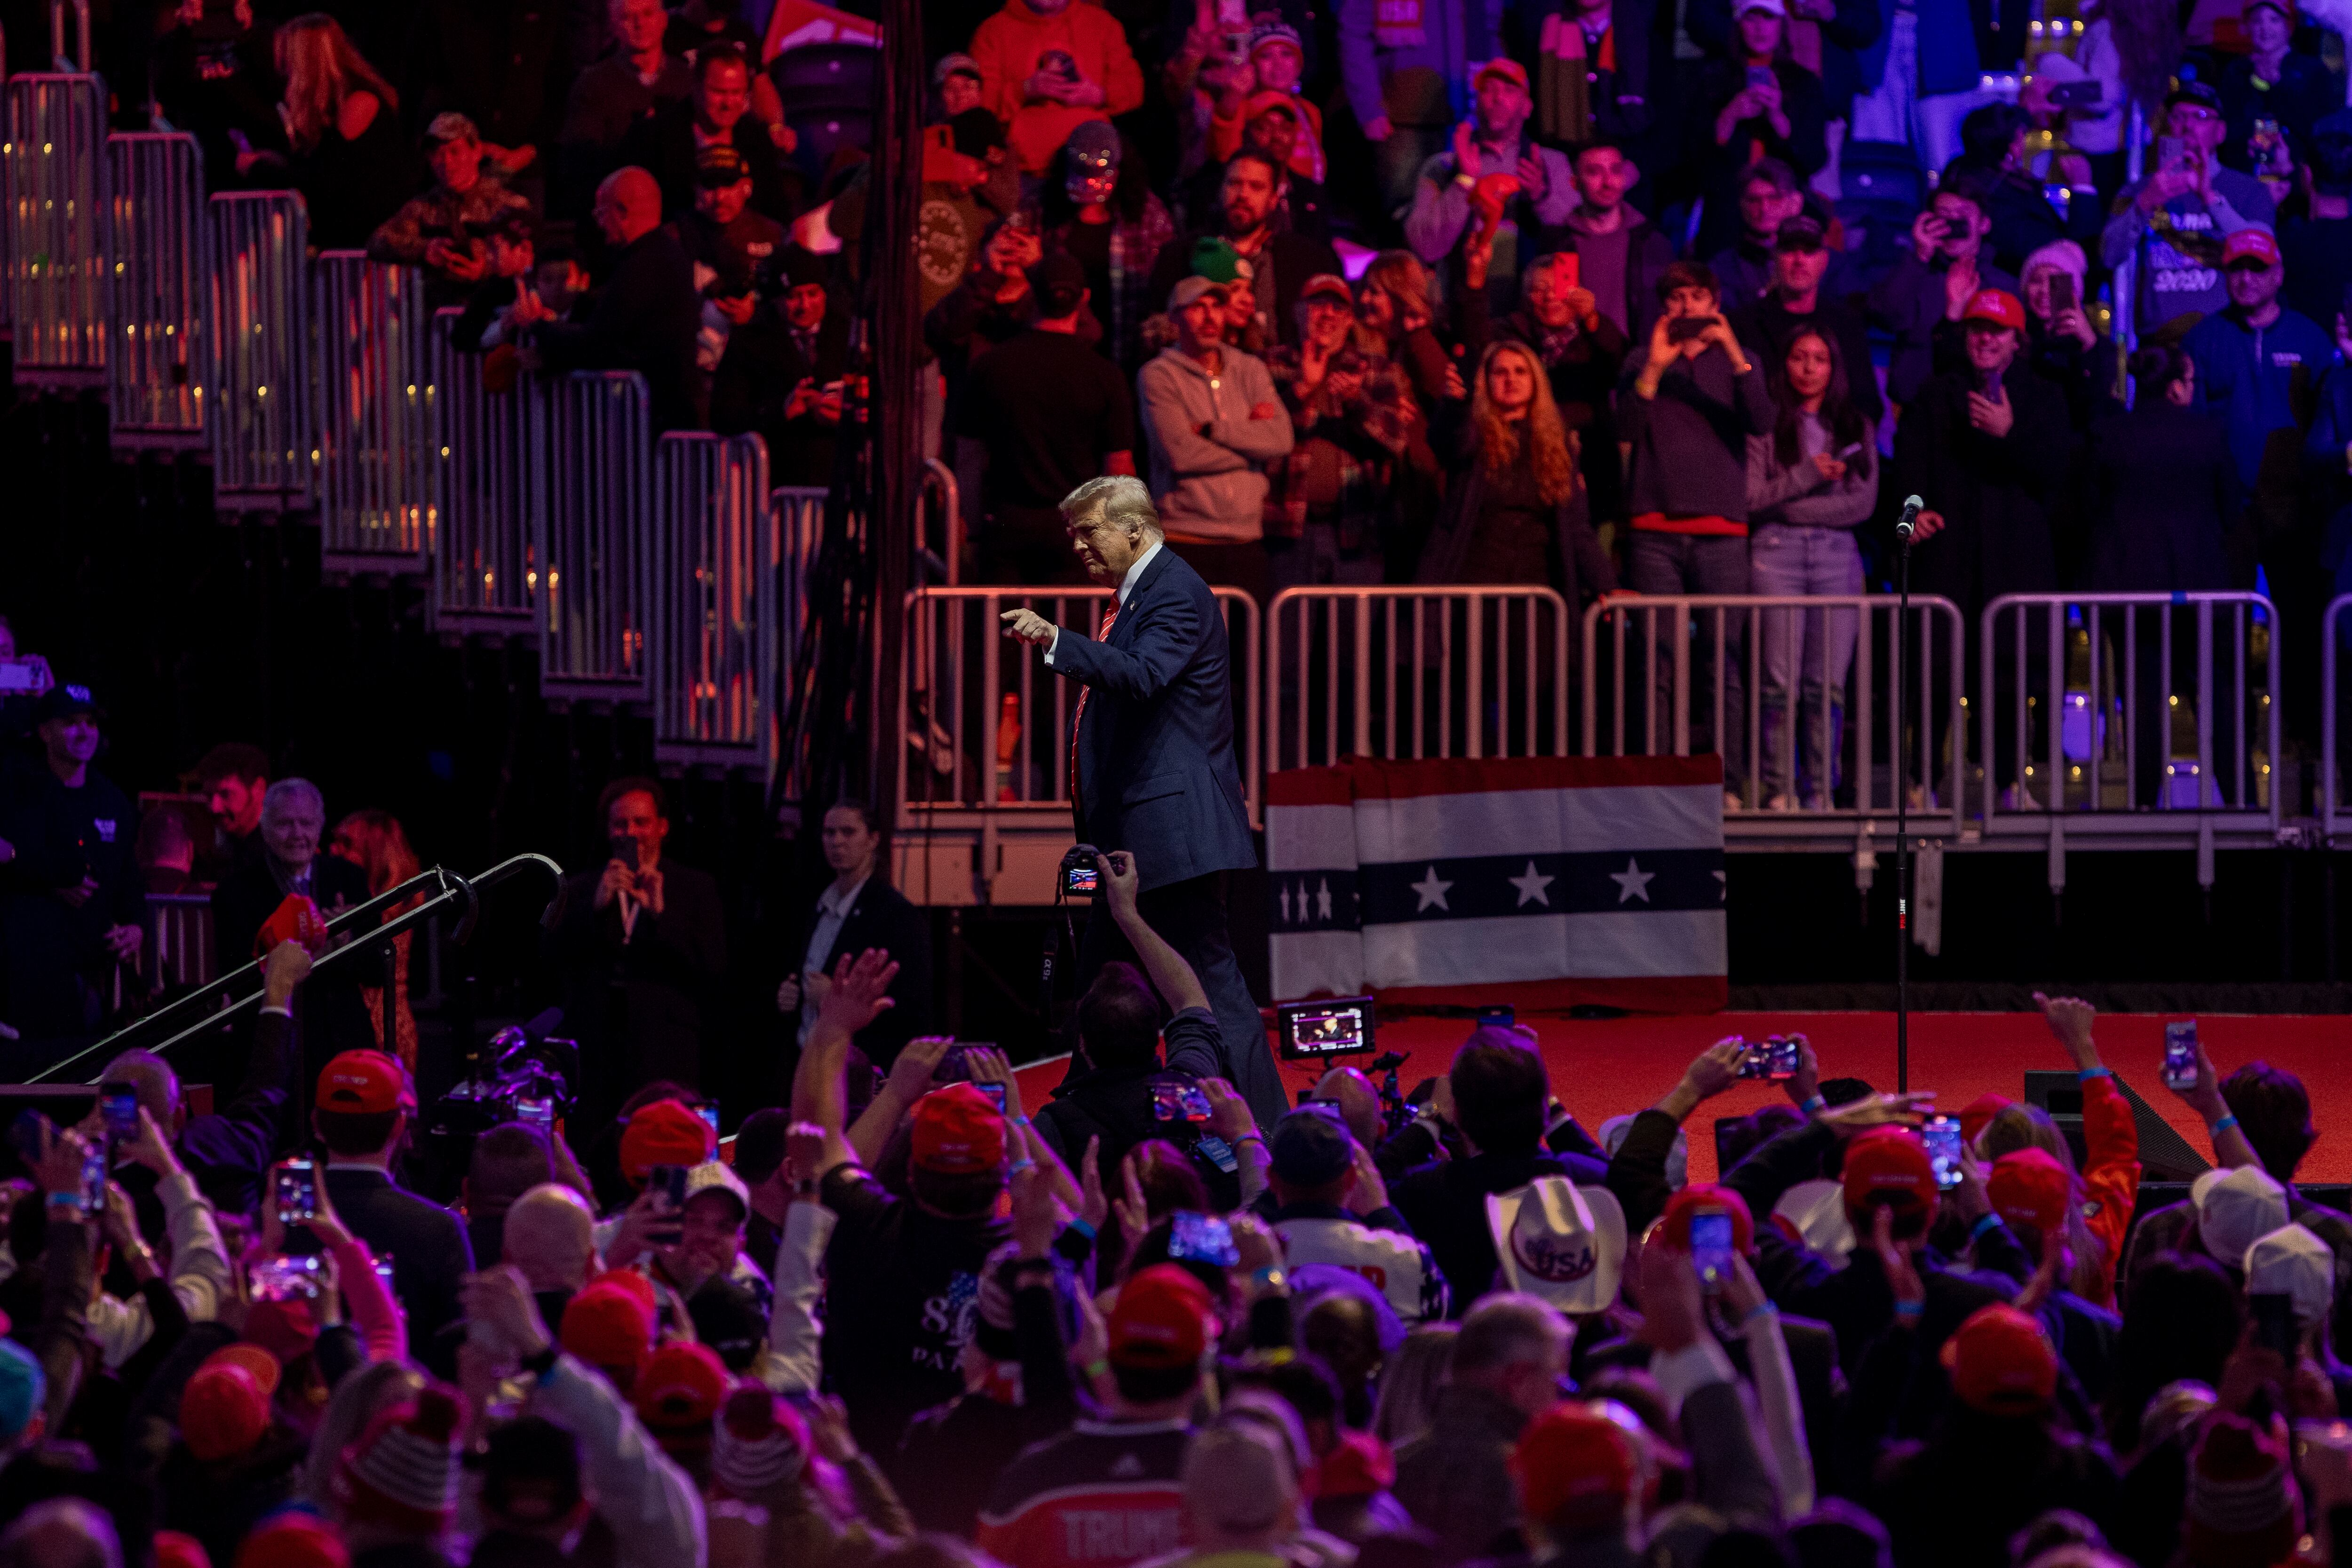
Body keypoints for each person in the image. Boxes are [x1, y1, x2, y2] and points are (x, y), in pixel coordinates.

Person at [997, 477, 1278, 1125]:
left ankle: (1261, 1127)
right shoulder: (1138, 595)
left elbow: (1144, 675)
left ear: (1133, 529)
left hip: (1171, 838)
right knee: (1101, 983)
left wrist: (1054, 640)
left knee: (1210, 987)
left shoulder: (1174, 590)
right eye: (1073, 535)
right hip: (1138, 837)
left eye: (1088, 531)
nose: (1079, 547)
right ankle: (1077, 1121)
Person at [791, 947, 1015, 1456]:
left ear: (909, 1172)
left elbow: (815, 1139)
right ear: (1003, 1175)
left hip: (865, 1487)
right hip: (980, 1505)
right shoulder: (1029, 1261)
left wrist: (836, 1030)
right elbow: (1082, 1221)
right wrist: (1016, 1120)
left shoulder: (865, 1227)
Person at [1896, 289, 2071, 810]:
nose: (1985, 339)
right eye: (1977, 329)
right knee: (1932, 676)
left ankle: (2008, 784)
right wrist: (1909, 520)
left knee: (2010, 677)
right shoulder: (1935, 395)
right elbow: (1906, 470)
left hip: (2014, 560)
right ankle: (1921, 782)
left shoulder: (2042, 396)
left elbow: (2056, 476)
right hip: (1947, 559)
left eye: (1996, 331)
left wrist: (2008, 435)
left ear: (2017, 341)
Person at [1619, 261, 1775, 800]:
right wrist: (1654, 370)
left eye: (1696, 297)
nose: (1686, 308)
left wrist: (1732, 352)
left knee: (1723, 660)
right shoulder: (1642, 361)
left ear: (1713, 302)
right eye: (1676, 298)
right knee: (1657, 660)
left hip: (1722, 532)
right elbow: (1621, 429)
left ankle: (1724, 783)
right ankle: (1658, 781)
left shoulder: (1741, 364)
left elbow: (1761, 421)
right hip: (1653, 527)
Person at [2080, 346, 2241, 806]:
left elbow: (2091, 507)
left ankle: (2145, 801)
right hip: (2200, 587)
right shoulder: (2206, 434)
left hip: (2129, 588)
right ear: (2174, 387)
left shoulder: (2111, 435)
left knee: (2141, 700)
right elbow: (2229, 509)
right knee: (2214, 699)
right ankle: (2238, 799)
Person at [1746, 324, 1877, 811]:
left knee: (1827, 683)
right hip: (1774, 553)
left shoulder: (1853, 425)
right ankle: (1778, 786)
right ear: (1785, 364)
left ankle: (1819, 786)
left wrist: (1788, 503)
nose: (1807, 367)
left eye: (1818, 359)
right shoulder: (1765, 423)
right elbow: (1751, 497)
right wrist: (1805, 478)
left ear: (1832, 368)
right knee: (1778, 681)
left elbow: (1861, 505)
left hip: (1836, 556)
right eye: (1799, 357)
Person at [952, 250, 1140, 584]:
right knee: (1069, 633)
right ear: (1083, 298)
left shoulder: (991, 366)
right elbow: (1119, 468)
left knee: (1004, 633)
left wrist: (974, 526)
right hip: (1077, 531)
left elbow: (968, 457)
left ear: (1031, 294)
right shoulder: (1104, 375)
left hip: (1007, 525)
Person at [1390, 1026, 1607, 1308]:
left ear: (1456, 1113)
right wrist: (1544, 1097)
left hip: (1467, 1340)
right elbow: (1622, 1178)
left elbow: (1373, 1178)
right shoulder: (1583, 1179)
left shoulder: (1426, 1191)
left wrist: (1429, 1118)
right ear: (1543, 1106)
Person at [548, 776, 727, 1117]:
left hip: (666, 1050)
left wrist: (662, 915)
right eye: (620, 823)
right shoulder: (581, 887)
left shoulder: (695, 887)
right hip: (597, 1051)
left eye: (641, 822)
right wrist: (595, 908)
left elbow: (714, 964)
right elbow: (549, 953)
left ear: (662, 827)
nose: (630, 832)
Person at [1418, 337, 1614, 616]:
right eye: (1500, 372)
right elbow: (1444, 440)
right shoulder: (1472, 434)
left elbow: (1577, 526)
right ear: (1486, 381)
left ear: (1536, 380)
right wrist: (1452, 405)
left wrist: (1605, 583)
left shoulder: (1558, 445)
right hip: (1475, 585)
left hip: (1539, 589)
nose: (1511, 379)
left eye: (1521, 371)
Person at [311, 1046, 476, 1371]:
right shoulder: (438, 1229)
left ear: (316, 1125)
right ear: (399, 1127)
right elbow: (461, 1346)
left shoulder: (276, 1221)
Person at [0, 684, 144, 1050]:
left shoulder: (112, 799)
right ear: (45, 731)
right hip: (26, 973)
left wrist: (136, 927)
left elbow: (129, 877)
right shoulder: (21, 795)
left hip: (93, 972)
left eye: (91, 722)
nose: (84, 732)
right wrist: (50, 882)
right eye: (71, 722)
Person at [1134, 275, 1295, 601]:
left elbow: (1282, 439)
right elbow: (1181, 454)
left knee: (1246, 649)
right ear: (1176, 319)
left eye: (1217, 306)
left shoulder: (1250, 369)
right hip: (1186, 540)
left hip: (1247, 540)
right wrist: (1253, 448)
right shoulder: (1159, 374)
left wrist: (1213, 431)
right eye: (1197, 308)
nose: (1210, 316)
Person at [1264, 273, 1422, 589]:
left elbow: (1397, 440)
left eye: (1338, 309)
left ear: (1351, 320)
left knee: (1355, 637)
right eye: (1317, 306)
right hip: (1287, 529)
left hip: (1357, 529)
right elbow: (1254, 434)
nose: (1327, 316)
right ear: (1298, 312)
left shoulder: (1376, 369)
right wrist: (1301, 390)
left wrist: (1357, 402)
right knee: (1288, 635)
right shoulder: (1270, 365)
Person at [1390, 1293, 1571, 1559]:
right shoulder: (1534, 1483)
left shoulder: (1392, 1467)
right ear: (1517, 1378)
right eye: (1559, 1384)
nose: (1559, 1400)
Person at [524, 167, 702, 433]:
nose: (597, 222)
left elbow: (597, 343)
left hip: (657, 418)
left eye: (601, 212)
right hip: (668, 411)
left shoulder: (642, 266)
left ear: (622, 212)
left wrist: (539, 327)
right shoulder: (665, 256)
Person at [2103, 81, 2277, 341]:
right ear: (2168, 128)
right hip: (2159, 341)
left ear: (2220, 132)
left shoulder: (2250, 192)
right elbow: (2108, 255)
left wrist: (2209, 199)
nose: (2188, 126)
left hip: (2227, 336)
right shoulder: (2137, 190)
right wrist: (2146, 202)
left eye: (2201, 117)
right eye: (2179, 117)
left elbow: (2262, 256)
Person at [1403, 60, 1578, 312]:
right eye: (1488, 90)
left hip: (1532, 317)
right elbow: (1426, 247)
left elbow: (1577, 242)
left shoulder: (1552, 164)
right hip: (1460, 311)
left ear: (1527, 107)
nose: (1497, 99)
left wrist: (1541, 197)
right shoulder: (1441, 167)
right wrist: (1464, 182)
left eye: (1509, 91)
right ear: (1476, 102)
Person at [775, 800, 932, 1069]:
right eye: (829, 833)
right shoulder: (817, 905)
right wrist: (792, 994)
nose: (836, 842)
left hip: (855, 1069)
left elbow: (910, 1006)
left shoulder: (894, 915)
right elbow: (807, 976)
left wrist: (836, 999)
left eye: (848, 833)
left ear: (872, 840)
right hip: (808, 1060)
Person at [1260, 1108, 1448, 1325]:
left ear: (1271, 1180)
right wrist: (1381, 1212)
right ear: (1351, 1178)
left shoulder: (1242, 1257)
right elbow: (1436, 1331)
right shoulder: (1407, 1256)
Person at [1146, 150, 1344, 353]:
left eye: (1256, 187)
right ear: (1221, 189)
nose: (1243, 195)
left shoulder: (1307, 258)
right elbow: (1155, 334)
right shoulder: (1181, 254)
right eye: (1234, 184)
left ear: (1274, 199)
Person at [252, 15, 411, 253]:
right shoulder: (335, 107)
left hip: (370, 246)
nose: (284, 70)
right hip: (348, 241)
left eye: (289, 60)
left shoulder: (359, 102)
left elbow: (323, 178)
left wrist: (260, 168)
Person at [1495, 251, 1631, 525]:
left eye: (1558, 288)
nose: (1549, 298)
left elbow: (1623, 367)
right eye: (1538, 290)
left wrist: (1593, 320)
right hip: (1526, 458)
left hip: (1591, 462)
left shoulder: (1593, 337)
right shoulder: (1512, 335)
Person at [1688, 0, 1828, 260]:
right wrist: (1729, 118)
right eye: (1752, 18)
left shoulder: (1804, 83)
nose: (1760, 28)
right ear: (1738, 24)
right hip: (1727, 210)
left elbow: (1814, 159)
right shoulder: (1711, 79)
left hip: (1785, 212)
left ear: (1782, 25)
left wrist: (1778, 119)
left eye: (1769, 18)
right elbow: (1691, 158)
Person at [1337, 0, 1500, 221]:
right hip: (1403, 121)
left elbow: (1488, 30)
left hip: (1464, 114)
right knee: (1405, 219)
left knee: (1461, 215)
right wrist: (1368, 108)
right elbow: (1354, 33)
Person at [1870, 171, 2018, 408]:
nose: (1951, 224)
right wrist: (1920, 255)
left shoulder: (2004, 285)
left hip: (1978, 405)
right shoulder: (1914, 270)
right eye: (1944, 216)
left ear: (1984, 224)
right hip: (1916, 403)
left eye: (1961, 217)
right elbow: (1886, 317)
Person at [710, 247, 851, 487]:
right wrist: (781, 410)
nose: (804, 306)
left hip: (837, 484)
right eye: (794, 296)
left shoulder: (848, 334)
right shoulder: (750, 340)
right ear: (776, 300)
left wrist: (845, 414)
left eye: (813, 293)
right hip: (776, 487)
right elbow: (724, 416)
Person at [617, 46, 801, 229]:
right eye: (718, 92)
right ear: (696, 88)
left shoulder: (756, 139)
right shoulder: (654, 138)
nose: (728, 104)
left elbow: (777, 214)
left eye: (737, 92)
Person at [365, 112, 536, 303]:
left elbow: (531, 259)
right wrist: (425, 249)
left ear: (477, 152)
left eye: (455, 151)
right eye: (437, 153)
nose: (446, 162)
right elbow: (377, 241)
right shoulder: (423, 207)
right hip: (438, 315)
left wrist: (485, 267)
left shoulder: (509, 204)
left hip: (493, 317)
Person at [1729, 212, 1883, 424]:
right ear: (1775, 258)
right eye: (1790, 251)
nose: (1799, 260)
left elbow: (1867, 404)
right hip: (1763, 445)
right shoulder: (1744, 324)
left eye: (1809, 252)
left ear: (1824, 260)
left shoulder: (1846, 325)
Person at [966, 0, 1144, 176]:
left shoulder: (1102, 25)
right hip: (1023, 172)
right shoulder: (993, 31)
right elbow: (974, 106)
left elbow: (1134, 89)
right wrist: (1024, 90)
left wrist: (1098, 95)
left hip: (1094, 167)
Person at [557, 0, 692, 219]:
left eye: (648, 14)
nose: (639, 24)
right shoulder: (594, 83)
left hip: (677, 207)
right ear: (613, 26)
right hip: (619, 209)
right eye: (628, 17)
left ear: (664, 20)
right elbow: (579, 160)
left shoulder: (686, 78)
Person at [329, 808, 421, 1074]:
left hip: (382, 1022)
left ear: (376, 852)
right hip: (370, 1019)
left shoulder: (397, 905)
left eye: (347, 844)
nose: (334, 850)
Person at [1557, 140, 1675, 342]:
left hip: (1640, 360)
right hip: (1579, 362)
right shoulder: (1560, 242)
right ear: (1575, 183)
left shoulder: (1651, 240)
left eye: (1615, 170)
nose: (1608, 182)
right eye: (1595, 172)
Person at [2217, 0, 2334, 176]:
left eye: (2274, 20)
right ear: (2248, 26)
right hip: (2245, 177)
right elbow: (2227, 125)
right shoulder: (2237, 70)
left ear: (2289, 26)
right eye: (2257, 21)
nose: (2265, 28)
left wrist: (2278, 88)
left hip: (2298, 178)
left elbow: (2321, 129)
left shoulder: (2313, 71)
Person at [1704, 158, 1809, 309]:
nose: (1764, 209)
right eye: (1754, 200)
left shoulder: (1820, 260)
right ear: (1742, 205)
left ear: (1796, 203)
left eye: (1775, 198)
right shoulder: (1722, 268)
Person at [192, 741, 270, 872]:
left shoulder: (277, 852)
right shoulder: (223, 848)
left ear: (258, 789)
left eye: (226, 794)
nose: (214, 808)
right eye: (209, 796)